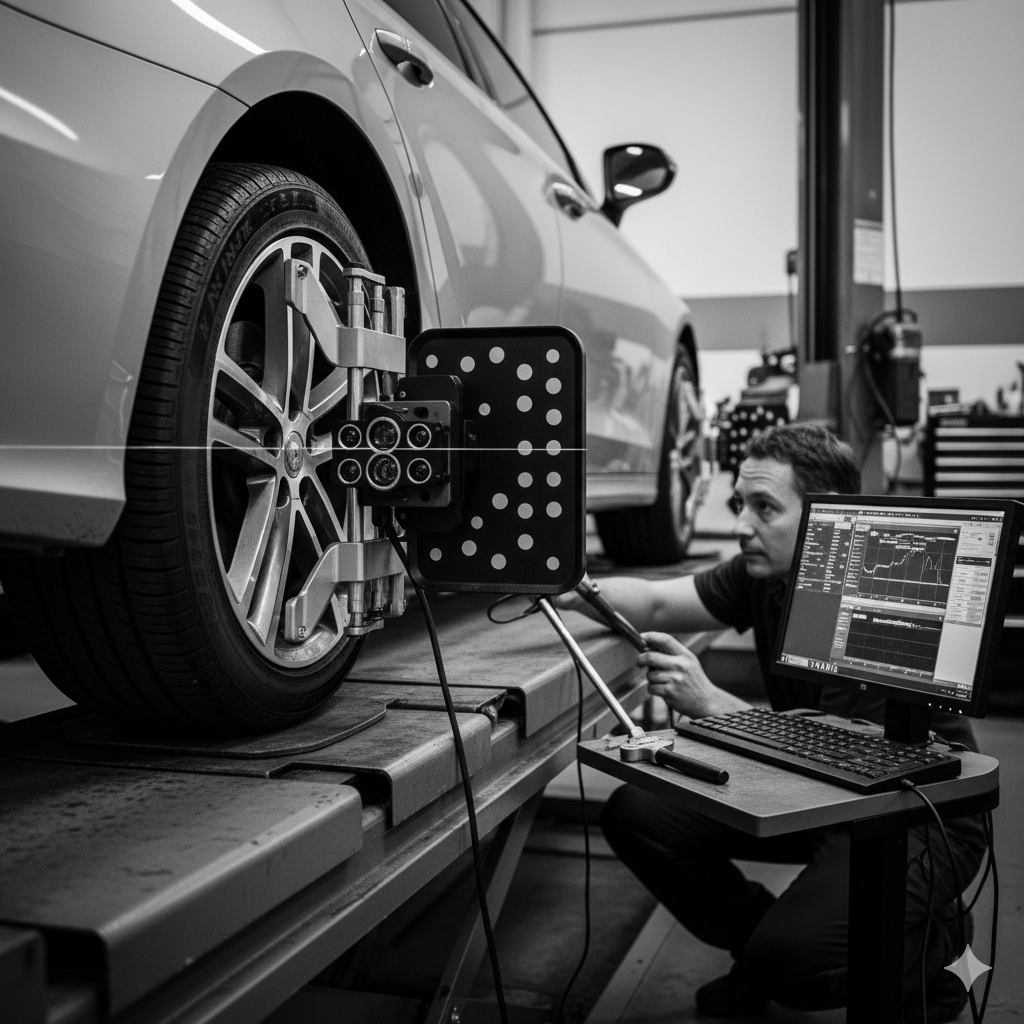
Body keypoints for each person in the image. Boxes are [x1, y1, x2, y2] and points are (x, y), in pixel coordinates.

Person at [559, 423, 985, 1021]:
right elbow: (657, 603)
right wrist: (565, 582)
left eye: (764, 507)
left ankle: (934, 952)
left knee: (797, 966)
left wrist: (710, 703)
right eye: (740, 504)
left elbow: (838, 760)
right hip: (812, 795)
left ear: (826, 516)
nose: (740, 525)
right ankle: (760, 948)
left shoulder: (871, 604)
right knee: (638, 817)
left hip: (911, 812)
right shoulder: (768, 576)